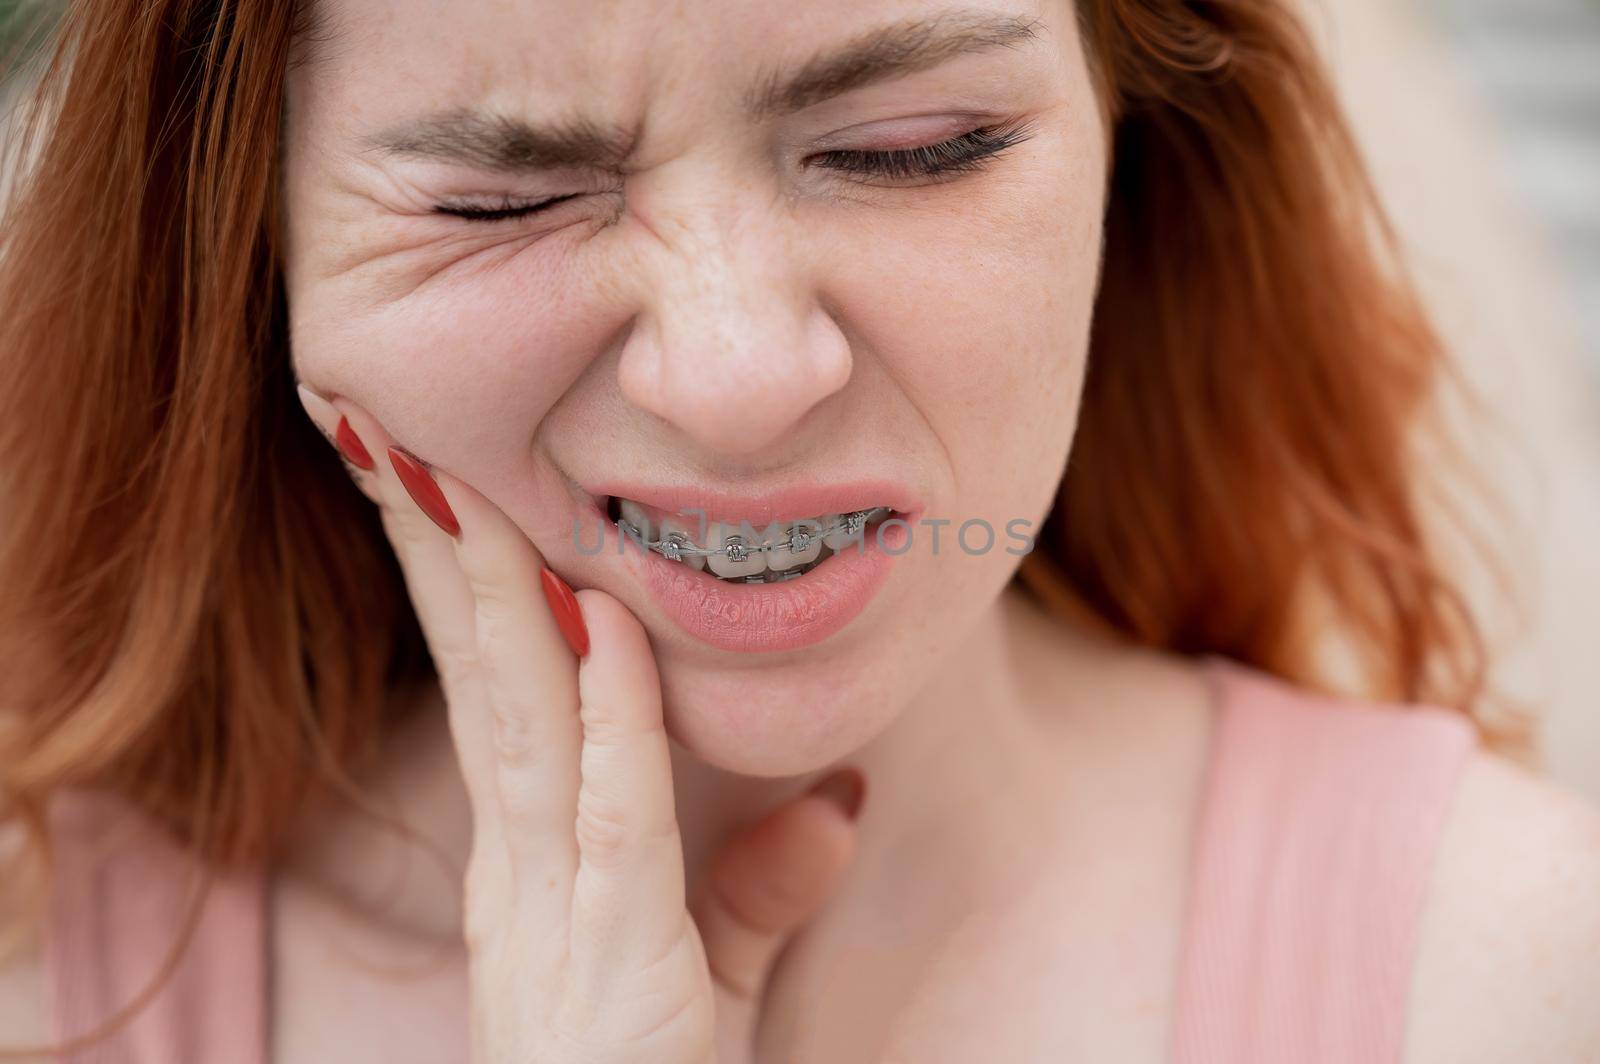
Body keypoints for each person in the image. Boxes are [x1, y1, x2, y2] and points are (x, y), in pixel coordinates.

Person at [1, 0, 1597, 1060]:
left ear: (1139, 151)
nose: (738, 378)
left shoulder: (1505, 973)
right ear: (246, 253)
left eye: (914, 151)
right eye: (505, 202)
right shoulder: (45, 965)